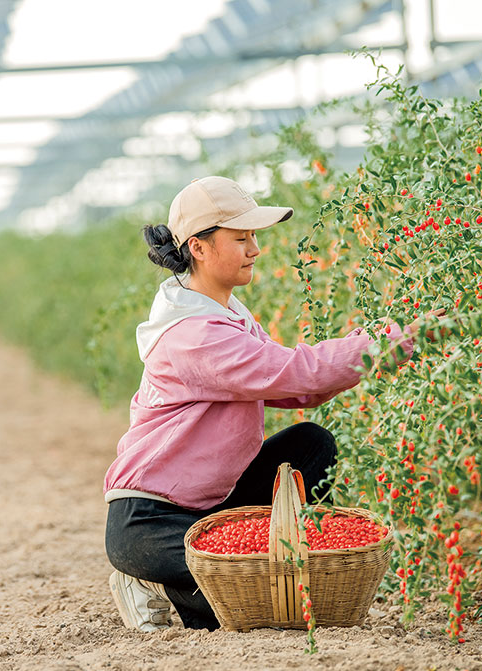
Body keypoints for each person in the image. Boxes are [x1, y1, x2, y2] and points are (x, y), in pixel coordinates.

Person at [103, 176, 441, 632]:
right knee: (252, 599)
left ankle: (307, 549)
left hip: (211, 506)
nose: (254, 250)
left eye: (254, 237)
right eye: (240, 238)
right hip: (150, 520)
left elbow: (300, 390)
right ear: (198, 248)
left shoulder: (227, 313)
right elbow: (295, 372)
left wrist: (381, 343)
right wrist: (388, 342)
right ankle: (150, 582)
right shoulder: (193, 335)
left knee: (309, 445)